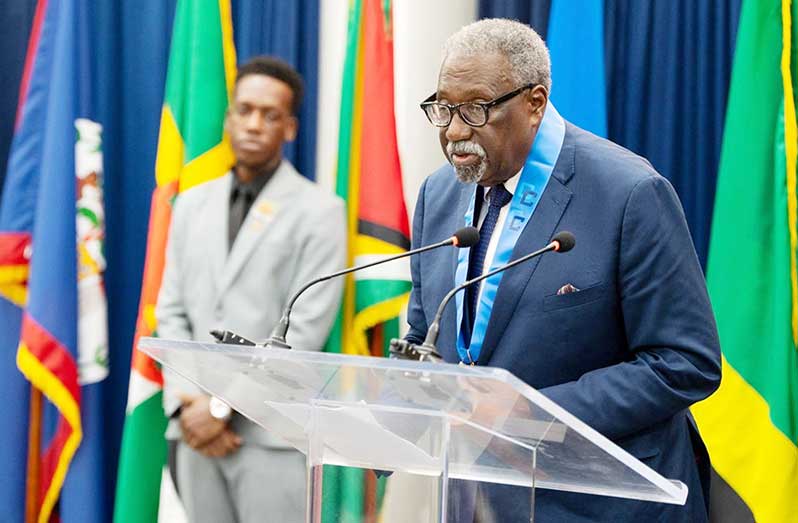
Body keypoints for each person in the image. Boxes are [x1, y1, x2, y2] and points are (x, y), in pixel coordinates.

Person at [405, 19, 721, 522]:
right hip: (477, 499)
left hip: (604, 503)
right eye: (443, 108)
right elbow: (426, 335)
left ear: (534, 102)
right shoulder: (439, 195)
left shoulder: (629, 193)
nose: (455, 131)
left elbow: (684, 362)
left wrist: (527, 411)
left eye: (476, 109)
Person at [156, 56, 346, 523]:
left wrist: (222, 407)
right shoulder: (191, 203)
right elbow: (172, 311)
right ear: (228, 118)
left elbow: (302, 333)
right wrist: (191, 407)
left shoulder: (321, 211)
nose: (254, 124)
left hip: (269, 435)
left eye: (270, 114)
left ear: (290, 128)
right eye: (244, 110)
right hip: (195, 432)